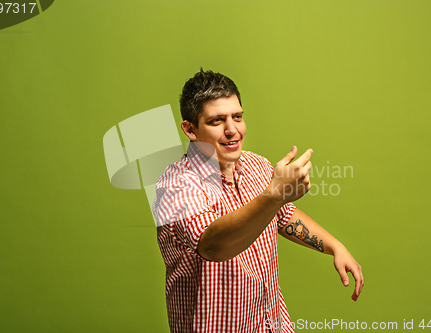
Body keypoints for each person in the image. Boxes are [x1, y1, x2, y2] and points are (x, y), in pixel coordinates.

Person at [152, 69, 364, 333]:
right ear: (190, 129)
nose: (232, 130)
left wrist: (334, 246)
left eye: (237, 117)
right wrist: (274, 194)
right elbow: (214, 245)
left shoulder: (257, 166)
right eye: (217, 121)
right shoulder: (175, 185)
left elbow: (283, 216)